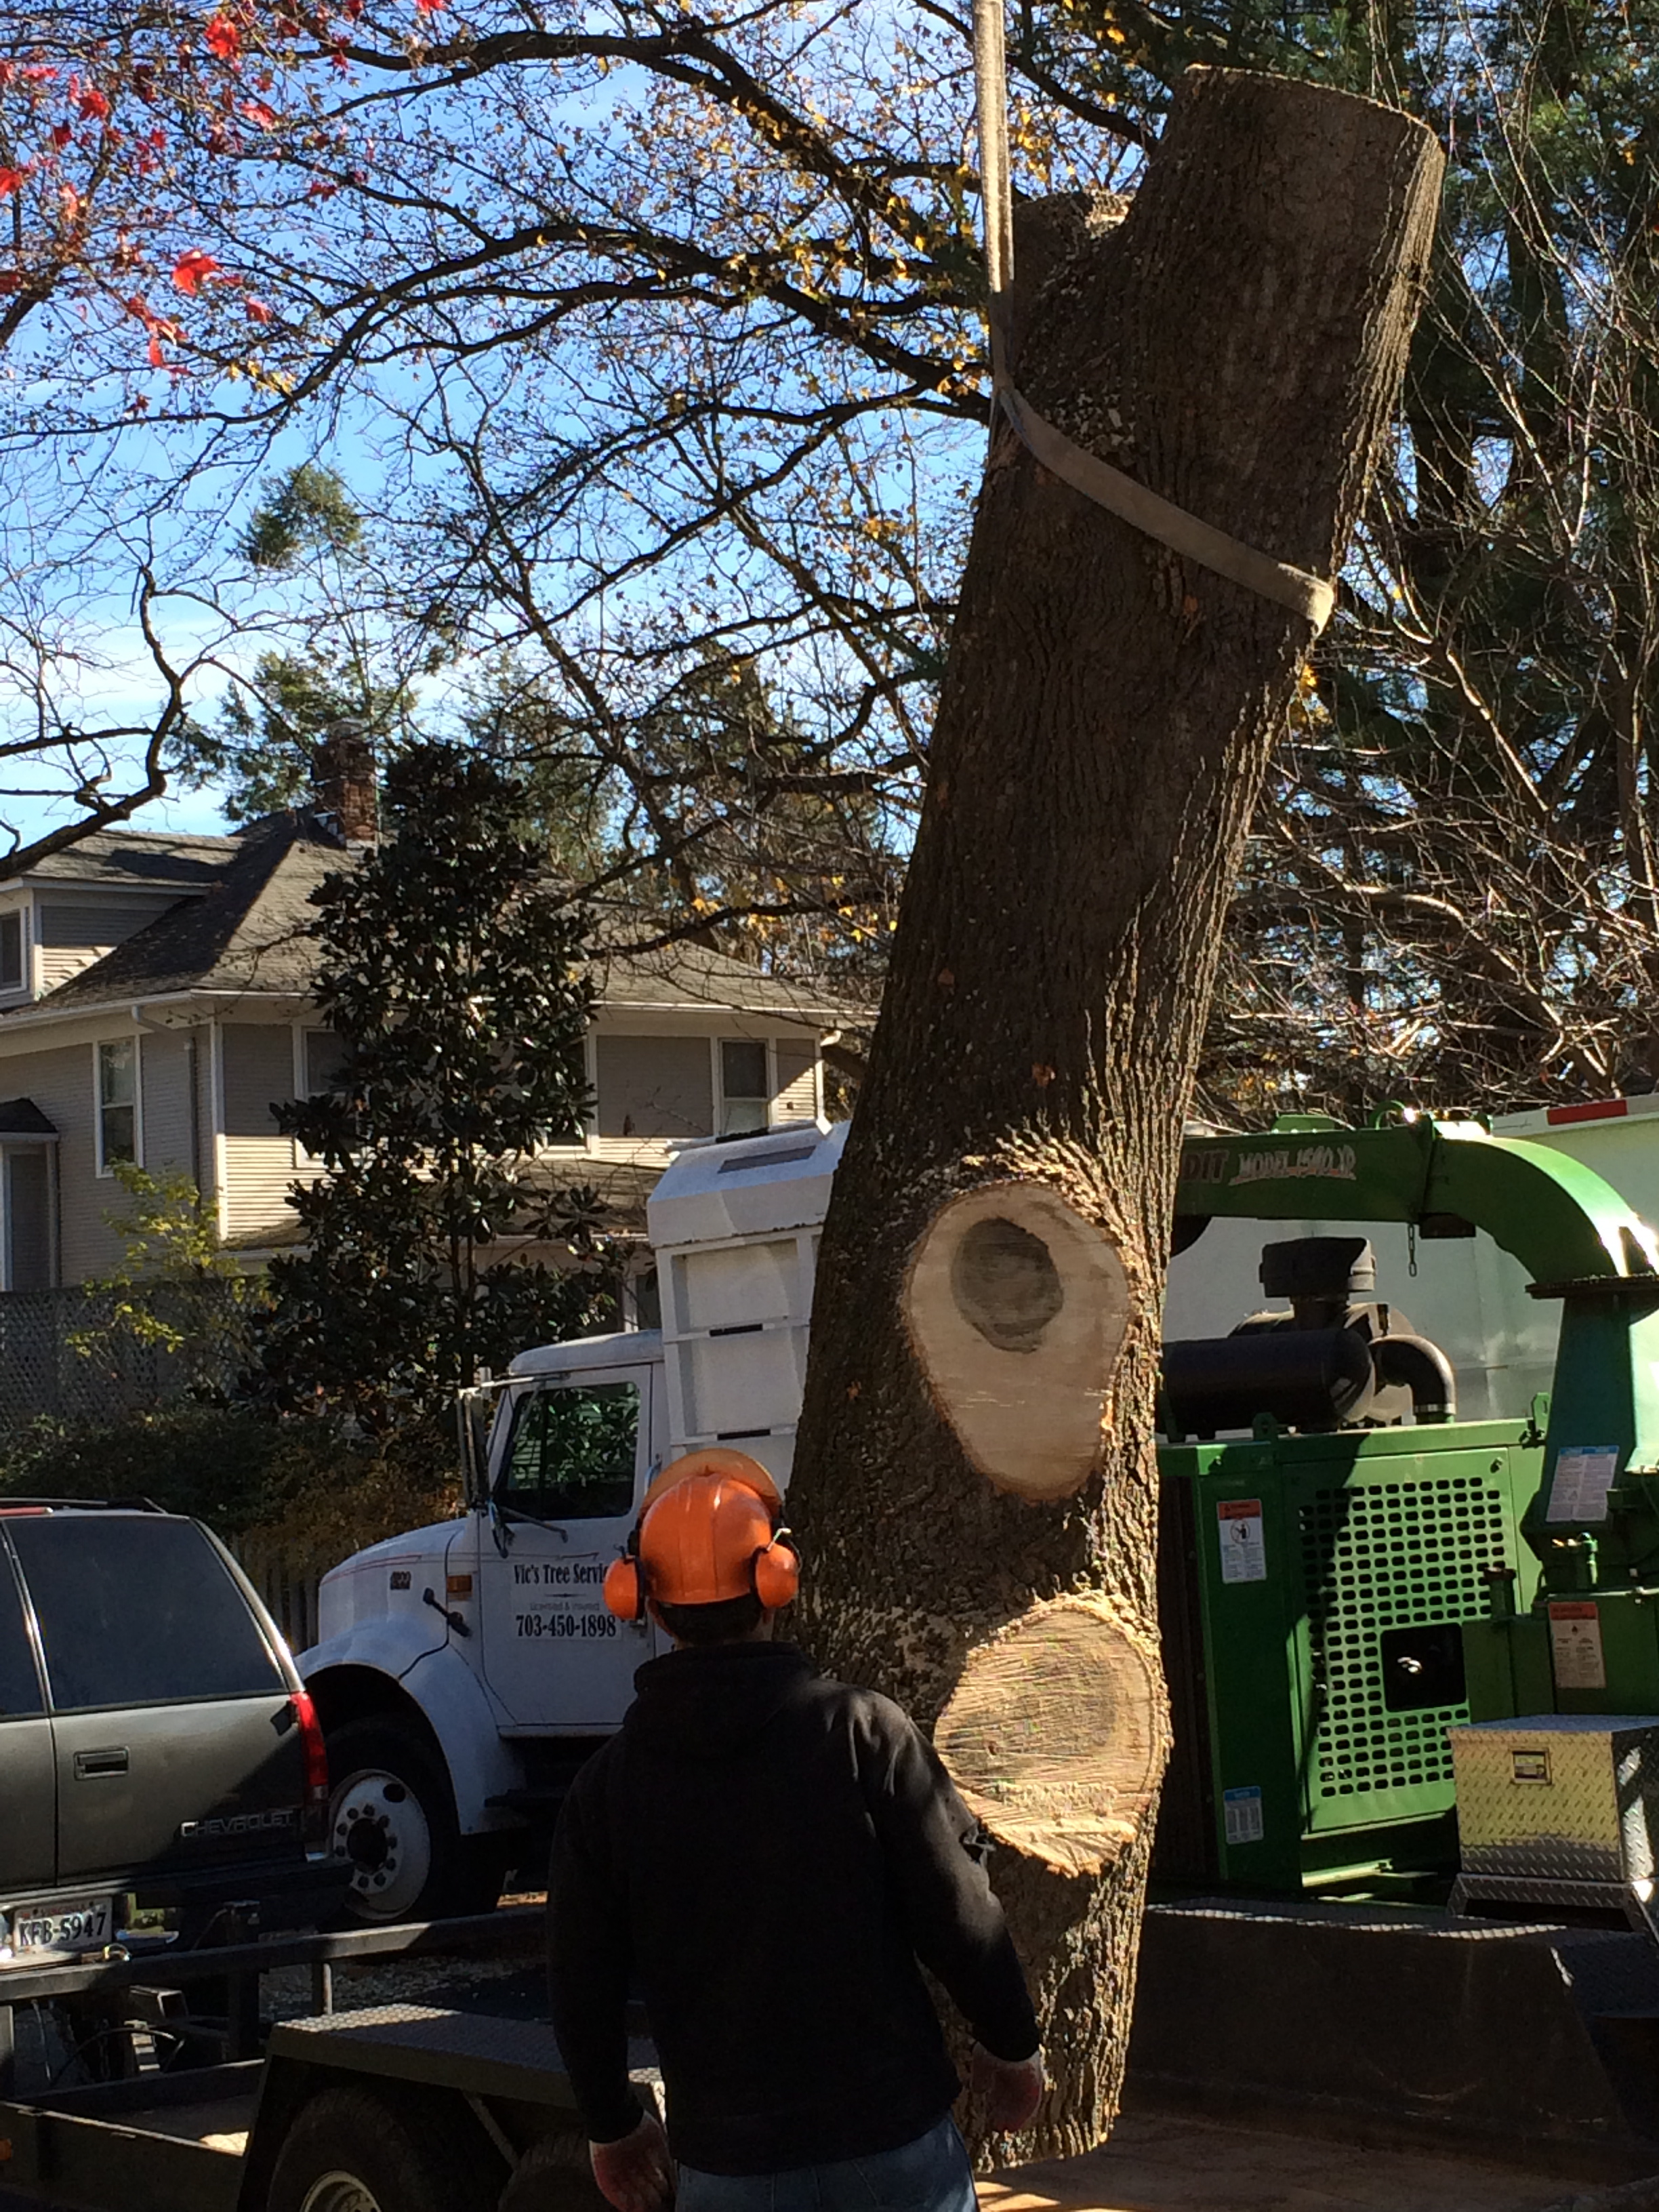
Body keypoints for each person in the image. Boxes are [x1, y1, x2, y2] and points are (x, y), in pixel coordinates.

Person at [546, 1447, 1044, 2212]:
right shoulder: (861, 1733)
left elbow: (581, 1981)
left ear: (642, 1600)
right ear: (776, 1582)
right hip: (893, 2145)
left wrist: (611, 2127)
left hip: (729, 2168)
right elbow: (959, 1910)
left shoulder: (605, 1789)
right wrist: (1011, 2044)